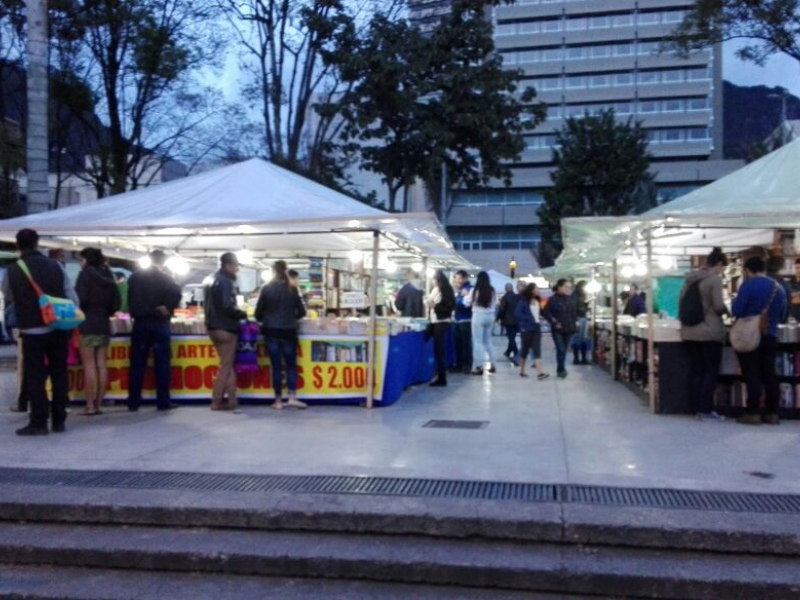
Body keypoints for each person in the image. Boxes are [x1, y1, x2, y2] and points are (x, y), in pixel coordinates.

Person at [3, 229, 78, 435]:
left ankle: (38, 422)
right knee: (59, 372)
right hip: (58, 328)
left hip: (31, 329)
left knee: (35, 376)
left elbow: (8, 295)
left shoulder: (13, 270)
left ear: (18, 246)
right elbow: (72, 297)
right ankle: (59, 420)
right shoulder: (56, 266)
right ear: (37, 244)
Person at [732, 256, 788, 426]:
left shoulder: (748, 286)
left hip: (751, 334)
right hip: (771, 334)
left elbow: (737, 310)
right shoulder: (778, 288)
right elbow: (783, 314)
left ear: (748, 271)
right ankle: (772, 413)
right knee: (769, 374)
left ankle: (753, 412)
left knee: (752, 374)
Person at [127, 250, 182, 412]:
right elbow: (176, 292)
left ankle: (133, 401)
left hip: (140, 323)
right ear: (163, 262)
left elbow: (130, 299)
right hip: (159, 323)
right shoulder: (166, 278)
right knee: (162, 363)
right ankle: (163, 401)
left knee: (137, 363)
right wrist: (167, 306)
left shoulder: (135, 277)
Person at [679, 247, 729, 421]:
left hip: (689, 331)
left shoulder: (689, 280)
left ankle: (694, 408)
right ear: (719, 264)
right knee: (710, 372)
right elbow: (718, 306)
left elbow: (680, 302)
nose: (722, 272)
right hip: (709, 332)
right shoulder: (714, 280)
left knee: (696, 370)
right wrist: (727, 311)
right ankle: (705, 409)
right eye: (723, 268)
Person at [255, 260, 307, 409]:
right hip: (289, 331)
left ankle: (277, 400)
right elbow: (302, 312)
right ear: (286, 270)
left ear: (272, 271)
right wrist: (291, 318)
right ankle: (292, 397)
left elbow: (258, 313)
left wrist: (266, 317)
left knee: (276, 366)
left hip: (271, 330)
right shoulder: (292, 288)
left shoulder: (266, 288)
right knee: (291, 365)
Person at [75, 248, 121, 416]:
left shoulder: (85, 275)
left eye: (80, 260)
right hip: (103, 323)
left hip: (87, 322)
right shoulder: (109, 275)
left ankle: (89, 406)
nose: (80, 263)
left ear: (86, 260)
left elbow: (81, 299)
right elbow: (117, 304)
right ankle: (99, 404)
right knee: (101, 364)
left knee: (89, 365)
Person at [205, 252, 247, 411]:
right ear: (227, 265)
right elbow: (226, 306)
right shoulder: (225, 281)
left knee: (227, 365)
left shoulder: (210, 278)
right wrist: (242, 314)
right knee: (226, 365)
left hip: (212, 326)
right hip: (225, 327)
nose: (237, 269)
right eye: (236, 266)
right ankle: (216, 401)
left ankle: (232, 400)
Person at [543, 279, 577, 379]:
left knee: (564, 350)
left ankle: (560, 369)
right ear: (559, 287)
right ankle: (561, 369)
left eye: (569, 287)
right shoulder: (552, 299)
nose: (567, 289)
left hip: (569, 328)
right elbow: (546, 312)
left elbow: (573, 312)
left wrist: (576, 321)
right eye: (565, 287)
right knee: (560, 349)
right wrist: (554, 321)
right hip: (558, 329)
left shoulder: (570, 299)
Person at [466, 271, 498, 375]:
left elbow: (466, 302)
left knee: (477, 342)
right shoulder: (492, 290)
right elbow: (496, 303)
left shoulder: (474, 290)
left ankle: (478, 366)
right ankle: (493, 364)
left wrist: (465, 295)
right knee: (488, 341)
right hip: (490, 316)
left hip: (478, 316)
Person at [515, 283, 549, 380]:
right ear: (532, 291)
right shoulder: (523, 302)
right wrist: (528, 320)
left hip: (536, 328)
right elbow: (517, 314)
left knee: (536, 349)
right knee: (525, 350)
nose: (539, 290)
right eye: (537, 288)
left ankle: (540, 373)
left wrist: (539, 318)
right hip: (526, 329)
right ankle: (521, 370)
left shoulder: (538, 302)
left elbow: (539, 313)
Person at [497, 282, 523, 365]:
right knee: (512, 336)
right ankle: (508, 352)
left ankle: (516, 354)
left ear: (506, 289)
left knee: (511, 338)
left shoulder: (505, 298)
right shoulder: (517, 297)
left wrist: (497, 318)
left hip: (508, 321)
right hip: (516, 320)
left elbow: (502, 310)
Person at [453, 270, 473, 374]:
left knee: (466, 344)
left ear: (465, 278)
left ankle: (467, 365)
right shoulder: (459, 290)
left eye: (460, 278)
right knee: (458, 344)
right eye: (456, 278)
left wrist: (458, 300)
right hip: (457, 319)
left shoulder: (469, 289)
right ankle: (459, 365)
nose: (458, 281)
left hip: (466, 320)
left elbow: (466, 304)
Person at [572, 280, 591, 365]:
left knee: (583, 338)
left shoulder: (581, 295)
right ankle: (577, 358)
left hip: (583, 317)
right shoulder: (575, 295)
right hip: (578, 318)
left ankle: (582, 358)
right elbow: (574, 307)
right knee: (578, 338)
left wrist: (586, 304)